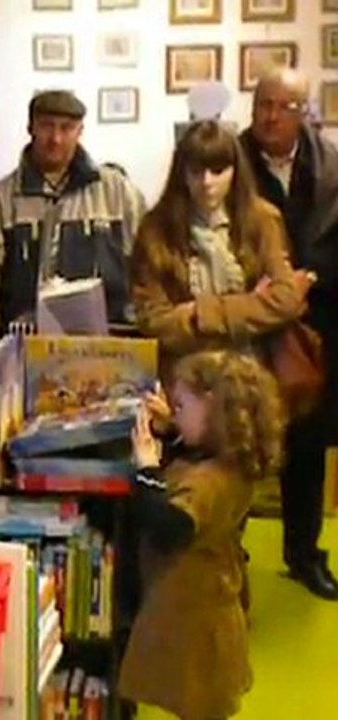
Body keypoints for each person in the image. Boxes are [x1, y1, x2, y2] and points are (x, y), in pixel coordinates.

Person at [121, 351, 281, 720]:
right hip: (200, 604)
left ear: (213, 408)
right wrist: (174, 429)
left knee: (200, 701)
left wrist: (145, 469)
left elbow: (168, 528)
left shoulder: (212, 483)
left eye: (180, 405)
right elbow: (194, 451)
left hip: (197, 619)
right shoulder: (228, 457)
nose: (173, 411)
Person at [239, 68, 338, 599]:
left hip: (313, 329)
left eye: (283, 106)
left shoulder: (331, 168)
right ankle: (229, 558)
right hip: (245, 322)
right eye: (262, 104)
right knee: (235, 440)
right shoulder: (228, 161)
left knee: (307, 443)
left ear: (305, 113)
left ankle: (304, 554)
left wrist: (308, 280)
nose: (270, 116)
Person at [0, 90, 146, 342]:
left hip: (108, 348)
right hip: (25, 349)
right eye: (47, 126)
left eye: (66, 128)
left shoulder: (119, 194)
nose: (56, 138)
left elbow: (147, 268)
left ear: (80, 131)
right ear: (30, 128)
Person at [130, 120, 308, 376]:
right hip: (186, 378)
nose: (206, 182)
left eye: (218, 170)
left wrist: (197, 313)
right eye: (195, 171)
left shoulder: (262, 219)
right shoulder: (156, 228)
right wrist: (249, 306)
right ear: (181, 173)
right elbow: (153, 321)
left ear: (235, 171)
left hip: (252, 374)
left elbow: (285, 300)